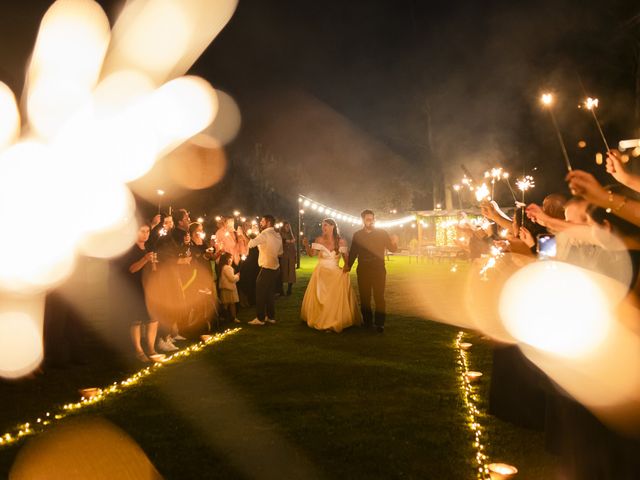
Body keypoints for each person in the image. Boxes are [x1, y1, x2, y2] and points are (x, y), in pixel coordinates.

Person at [301, 218, 361, 332]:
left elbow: (346, 261)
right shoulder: (318, 240)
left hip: (334, 272)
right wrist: (306, 245)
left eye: (326, 225)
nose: (323, 228)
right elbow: (311, 254)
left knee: (332, 297)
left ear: (333, 226)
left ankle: (333, 319)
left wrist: (346, 267)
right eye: (322, 225)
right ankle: (320, 318)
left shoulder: (341, 242)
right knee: (321, 297)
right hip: (321, 273)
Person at [115, 223, 162, 362]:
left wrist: (153, 263)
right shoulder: (130, 249)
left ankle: (151, 348)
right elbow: (131, 269)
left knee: (153, 318)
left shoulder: (147, 248)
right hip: (135, 287)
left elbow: (152, 269)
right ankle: (139, 350)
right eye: (142, 231)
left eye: (148, 231)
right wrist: (145, 259)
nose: (146, 234)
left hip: (147, 286)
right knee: (136, 320)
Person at [345, 209, 398, 333]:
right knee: (364, 297)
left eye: (372, 218)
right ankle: (367, 322)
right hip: (363, 269)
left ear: (374, 219)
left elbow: (392, 249)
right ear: (363, 220)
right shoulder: (357, 235)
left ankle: (380, 323)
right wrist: (348, 265)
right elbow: (353, 252)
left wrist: (395, 243)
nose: (370, 221)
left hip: (379, 269)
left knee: (379, 296)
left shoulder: (382, 233)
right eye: (367, 219)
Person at [247, 215, 283, 325]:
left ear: (268, 223)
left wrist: (252, 234)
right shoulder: (277, 234)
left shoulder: (265, 234)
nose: (260, 222)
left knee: (260, 292)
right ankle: (271, 317)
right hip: (275, 268)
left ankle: (260, 318)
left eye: (262, 221)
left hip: (267, 267)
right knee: (269, 293)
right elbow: (280, 252)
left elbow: (251, 244)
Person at [219, 252, 241, 324]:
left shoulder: (223, 267)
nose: (231, 260)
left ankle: (223, 318)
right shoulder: (227, 268)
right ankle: (233, 318)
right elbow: (232, 279)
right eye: (230, 258)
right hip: (229, 288)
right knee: (231, 304)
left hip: (225, 288)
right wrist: (237, 276)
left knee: (226, 304)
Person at [279, 221, 297, 296]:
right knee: (283, 272)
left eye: (288, 226)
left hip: (291, 256)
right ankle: (281, 290)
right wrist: (286, 241)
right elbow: (280, 242)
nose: (288, 228)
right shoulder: (280, 234)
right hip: (284, 256)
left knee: (291, 273)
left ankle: (289, 289)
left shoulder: (291, 234)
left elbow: (293, 244)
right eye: (286, 226)